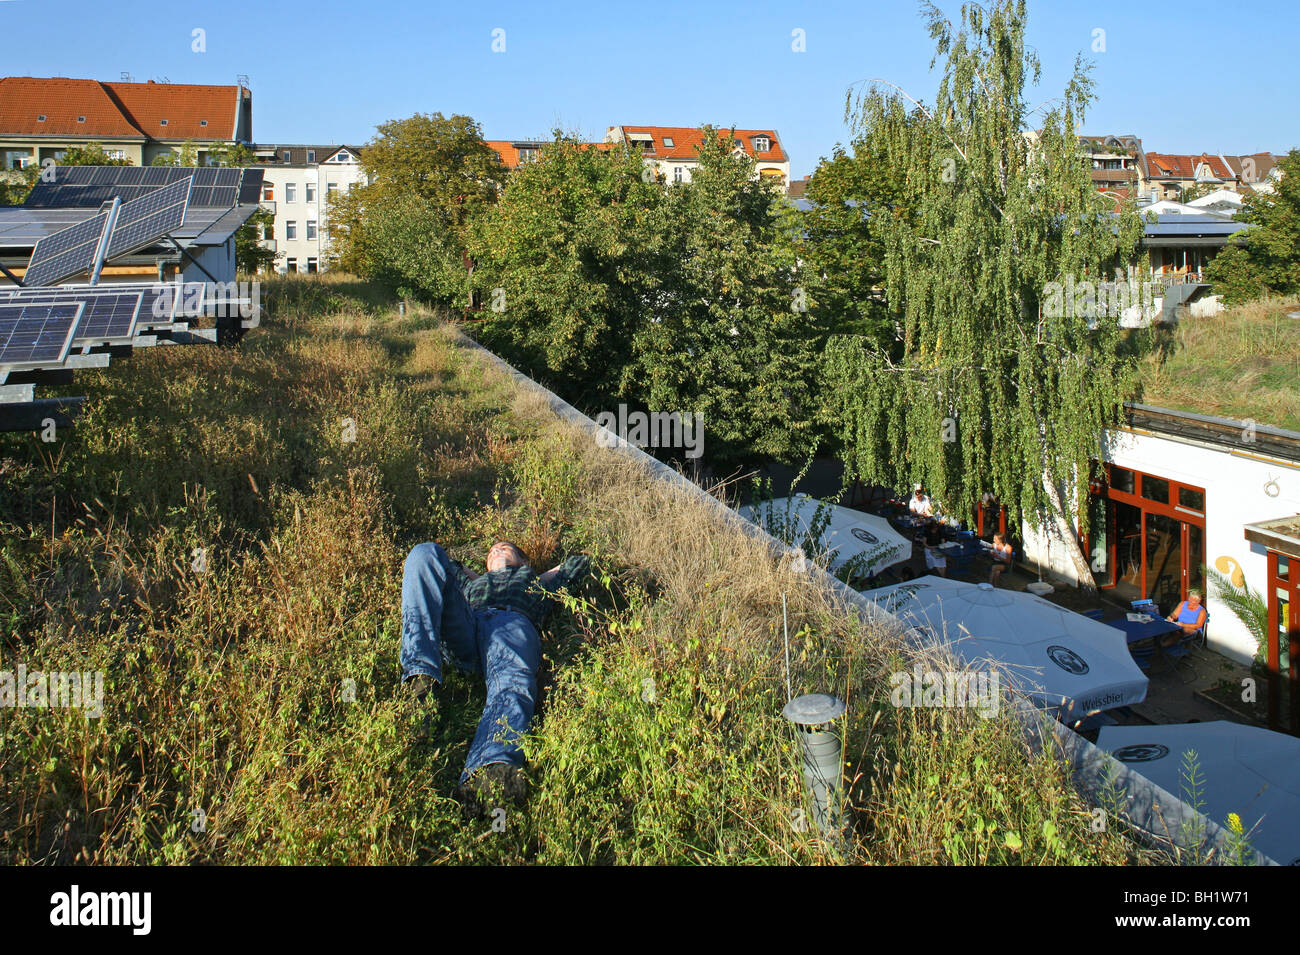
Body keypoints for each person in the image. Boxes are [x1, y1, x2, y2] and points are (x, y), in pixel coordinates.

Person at [399, 539, 591, 807]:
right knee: (423, 553)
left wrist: (538, 574)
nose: (496, 550)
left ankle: (490, 772)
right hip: (469, 624)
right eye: (491, 551)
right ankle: (420, 683)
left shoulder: (536, 583)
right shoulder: (472, 584)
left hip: (513, 626)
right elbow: (448, 566)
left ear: (524, 561)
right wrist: (480, 575)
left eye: (505, 547)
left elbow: (579, 563)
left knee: (512, 684)